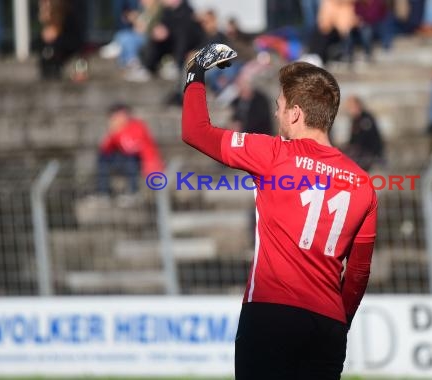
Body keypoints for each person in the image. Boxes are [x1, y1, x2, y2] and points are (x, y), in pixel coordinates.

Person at [182, 44, 377, 379]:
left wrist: (195, 70)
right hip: (327, 325)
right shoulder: (362, 182)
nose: (276, 114)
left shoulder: (274, 153)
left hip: (270, 315)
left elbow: (194, 131)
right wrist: (338, 322)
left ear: (296, 113)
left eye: (280, 106)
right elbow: (357, 274)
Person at [97, 103, 164, 201]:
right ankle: (103, 192)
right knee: (103, 159)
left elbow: (130, 148)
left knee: (130, 159)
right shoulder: (115, 130)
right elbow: (104, 149)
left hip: (140, 161)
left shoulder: (137, 126)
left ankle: (133, 191)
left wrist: (117, 132)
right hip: (123, 160)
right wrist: (111, 134)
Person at [344, 95, 385, 170]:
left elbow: (365, 140)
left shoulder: (366, 119)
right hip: (362, 153)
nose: (350, 110)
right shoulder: (355, 120)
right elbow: (353, 140)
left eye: (351, 107)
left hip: (370, 154)